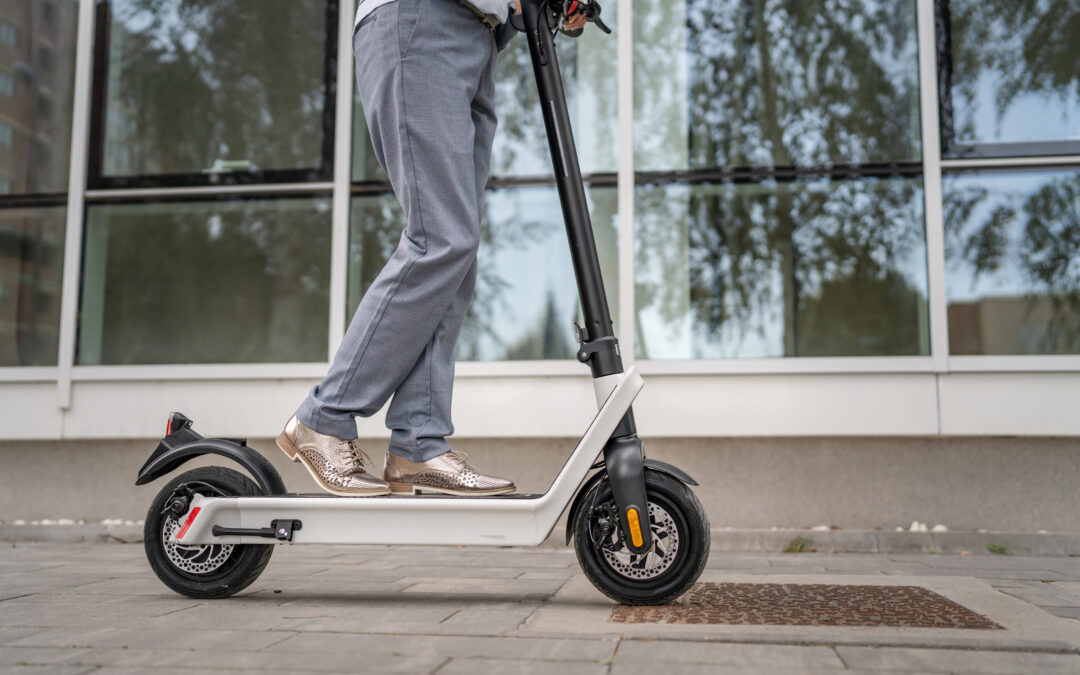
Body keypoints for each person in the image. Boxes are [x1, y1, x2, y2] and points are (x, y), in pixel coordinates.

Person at [277, 0, 588, 497]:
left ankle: (417, 444)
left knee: (455, 255)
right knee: (440, 240)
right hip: (421, 20)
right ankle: (325, 418)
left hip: (478, 38)